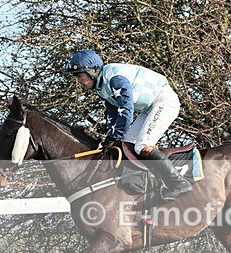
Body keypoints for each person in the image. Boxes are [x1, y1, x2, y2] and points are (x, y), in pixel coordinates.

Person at [66, 49, 193, 200]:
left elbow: (126, 111)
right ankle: (147, 182)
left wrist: (115, 135)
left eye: (80, 76)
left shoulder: (115, 79)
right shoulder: (101, 87)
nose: (78, 81)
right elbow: (113, 115)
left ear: (92, 71)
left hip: (163, 102)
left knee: (142, 145)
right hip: (149, 108)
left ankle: (178, 183)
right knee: (128, 142)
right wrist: (110, 138)